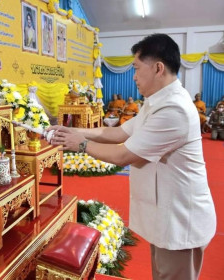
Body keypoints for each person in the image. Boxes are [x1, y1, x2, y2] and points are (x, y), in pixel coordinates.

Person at [49, 33, 216, 280]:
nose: (134, 76)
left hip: (181, 221)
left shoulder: (174, 108)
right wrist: (75, 130)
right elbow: (118, 132)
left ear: (158, 68)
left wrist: (81, 144)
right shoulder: (156, 102)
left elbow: (123, 154)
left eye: (137, 68)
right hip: (167, 216)